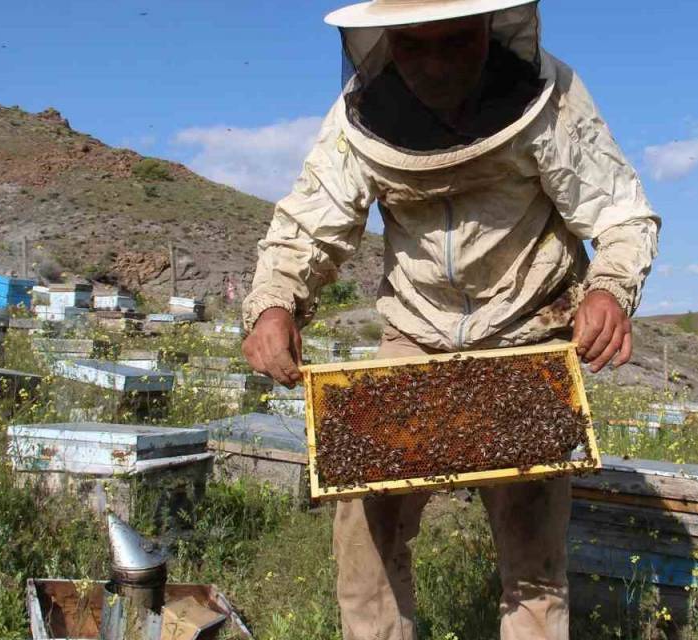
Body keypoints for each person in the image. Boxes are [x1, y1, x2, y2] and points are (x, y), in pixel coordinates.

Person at [241, 1, 659, 638]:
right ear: (385, 41)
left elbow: (623, 217)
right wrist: (274, 301)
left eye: (456, 41)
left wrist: (608, 288)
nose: (435, 64)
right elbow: (307, 228)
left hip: (527, 336)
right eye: (414, 45)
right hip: (414, 334)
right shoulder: (358, 118)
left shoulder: (551, 99)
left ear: (490, 31)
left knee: (534, 561)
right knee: (366, 528)